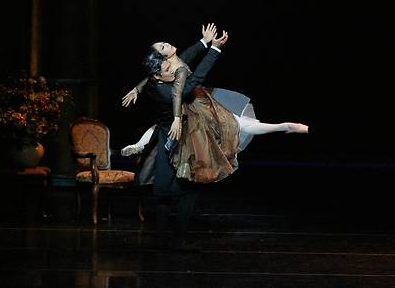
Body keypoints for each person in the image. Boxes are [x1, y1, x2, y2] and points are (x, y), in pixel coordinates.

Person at [121, 24, 309, 186]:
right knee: (233, 124)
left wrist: (204, 42)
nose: (167, 43)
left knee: (237, 123)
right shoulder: (170, 68)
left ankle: (284, 126)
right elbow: (186, 83)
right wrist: (214, 49)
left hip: (196, 99)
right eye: (163, 46)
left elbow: (187, 56)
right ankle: (139, 145)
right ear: (162, 59)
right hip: (191, 104)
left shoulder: (173, 62)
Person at [122, 24, 228, 252]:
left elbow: (182, 62)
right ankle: (175, 240)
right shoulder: (168, 90)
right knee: (186, 187)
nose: (174, 66)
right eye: (167, 64)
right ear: (159, 72)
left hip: (166, 137)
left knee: (164, 190)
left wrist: (203, 43)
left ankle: (162, 239)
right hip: (180, 138)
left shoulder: (155, 80)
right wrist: (214, 50)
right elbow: (193, 77)